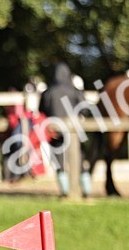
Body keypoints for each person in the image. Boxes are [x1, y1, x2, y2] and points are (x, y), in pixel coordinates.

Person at [39, 63, 92, 197]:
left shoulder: (47, 92)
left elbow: (42, 111)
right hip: (74, 131)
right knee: (80, 159)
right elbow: (85, 109)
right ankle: (86, 190)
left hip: (55, 132)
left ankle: (65, 191)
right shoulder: (75, 91)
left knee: (59, 161)